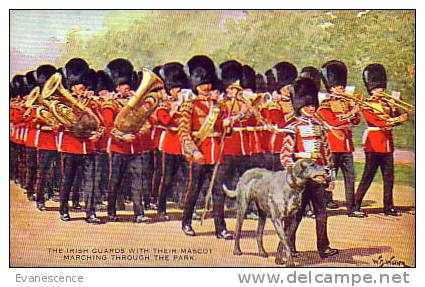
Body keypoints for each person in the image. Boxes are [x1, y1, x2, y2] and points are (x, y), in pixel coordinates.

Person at [280, 77, 338, 259]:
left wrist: (331, 176)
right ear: (300, 105)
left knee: (322, 214)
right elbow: (285, 155)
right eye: (307, 105)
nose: (311, 108)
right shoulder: (293, 128)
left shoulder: (320, 127)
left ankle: (324, 247)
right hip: (301, 180)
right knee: (295, 216)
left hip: (318, 178)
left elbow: (327, 154)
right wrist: (295, 172)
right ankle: (287, 248)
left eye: (313, 104)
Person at [178, 55, 232, 239]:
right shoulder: (189, 105)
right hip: (199, 152)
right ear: (195, 85)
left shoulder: (219, 106)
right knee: (194, 189)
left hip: (216, 153)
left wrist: (227, 125)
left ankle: (220, 228)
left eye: (208, 83)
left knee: (218, 191)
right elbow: (183, 132)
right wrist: (193, 150)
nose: (206, 87)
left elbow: (225, 131)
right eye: (202, 84)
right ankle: (186, 222)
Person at [354, 63, 409, 216]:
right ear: (371, 89)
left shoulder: (386, 104)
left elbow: (397, 117)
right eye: (378, 88)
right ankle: (356, 204)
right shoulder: (368, 104)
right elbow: (377, 122)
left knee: (389, 178)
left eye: (382, 88)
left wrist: (396, 108)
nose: (381, 91)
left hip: (387, 145)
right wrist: (395, 119)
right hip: (373, 145)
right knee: (368, 177)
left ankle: (388, 206)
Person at [103, 58, 150, 223]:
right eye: (123, 85)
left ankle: (139, 212)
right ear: (116, 87)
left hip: (136, 148)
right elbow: (108, 127)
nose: (126, 87)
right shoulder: (111, 104)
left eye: (127, 84)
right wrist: (122, 136)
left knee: (138, 181)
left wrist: (137, 135)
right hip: (118, 148)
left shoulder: (137, 103)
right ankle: (111, 210)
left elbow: (147, 123)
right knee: (115, 181)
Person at [57, 58, 103, 224]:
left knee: (90, 182)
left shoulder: (92, 103)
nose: (81, 87)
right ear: (72, 85)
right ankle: (63, 209)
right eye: (78, 84)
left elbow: (102, 123)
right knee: (68, 180)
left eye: (83, 84)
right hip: (71, 147)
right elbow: (60, 126)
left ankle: (90, 213)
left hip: (89, 148)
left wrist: (99, 134)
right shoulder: (65, 103)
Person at [318, 61, 365, 217]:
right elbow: (333, 122)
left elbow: (356, 121)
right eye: (339, 87)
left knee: (350, 177)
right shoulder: (326, 104)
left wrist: (354, 109)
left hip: (346, 146)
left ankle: (352, 208)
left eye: (342, 87)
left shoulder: (346, 103)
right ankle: (324, 204)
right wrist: (351, 113)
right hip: (333, 145)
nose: (342, 90)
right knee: (329, 177)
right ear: (331, 88)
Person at [155, 62, 190, 220]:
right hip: (170, 144)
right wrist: (175, 109)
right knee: (167, 178)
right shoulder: (165, 105)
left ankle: (186, 207)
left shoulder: (188, 105)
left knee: (186, 178)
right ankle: (161, 208)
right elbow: (165, 121)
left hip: (184, 144)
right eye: (176, 88)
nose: (179, 91)